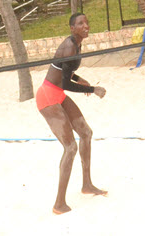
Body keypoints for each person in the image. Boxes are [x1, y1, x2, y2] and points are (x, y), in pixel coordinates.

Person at [35, 13, 107, 215]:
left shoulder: (77, 43)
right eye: (80, 23)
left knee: (86, 133)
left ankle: (87, 185)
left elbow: (64, 71)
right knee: (70, 147)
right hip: (48, 96)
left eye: (86, 22)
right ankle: (59, 204)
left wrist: (81, 79)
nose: (85, 25)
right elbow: (65, 82)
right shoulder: (69, 45)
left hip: (57, 92)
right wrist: (93, 89)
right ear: (72, 28)